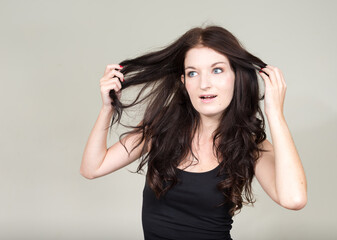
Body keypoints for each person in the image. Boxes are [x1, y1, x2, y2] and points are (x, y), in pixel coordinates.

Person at [80, 25, 307, 240]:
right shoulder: (163, 126)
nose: (204, 84)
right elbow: (93, 167)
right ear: (184, 82)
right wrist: (107, 108)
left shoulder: (250, 144)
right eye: (192, 73)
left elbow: (294, 199)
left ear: (237, 77)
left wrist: (275, 113)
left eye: (217, 70)